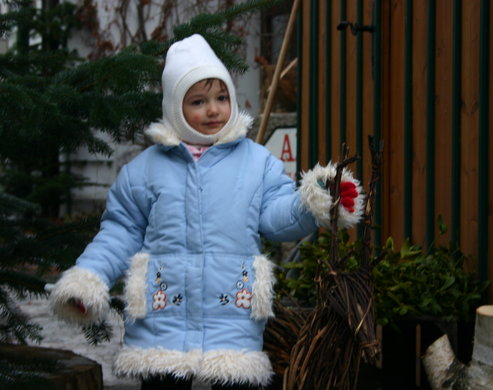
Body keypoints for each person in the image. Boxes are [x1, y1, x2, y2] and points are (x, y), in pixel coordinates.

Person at [50, 34, 364, 389]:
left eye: (221, 97)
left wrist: (312, 203)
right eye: (198, 101)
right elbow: (120, 231)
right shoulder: (145, 170)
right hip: (162, 314)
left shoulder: (255, 163)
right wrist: (89, 278)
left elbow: (276, 215)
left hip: (232, 313)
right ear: (174, 108)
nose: (213, 110)